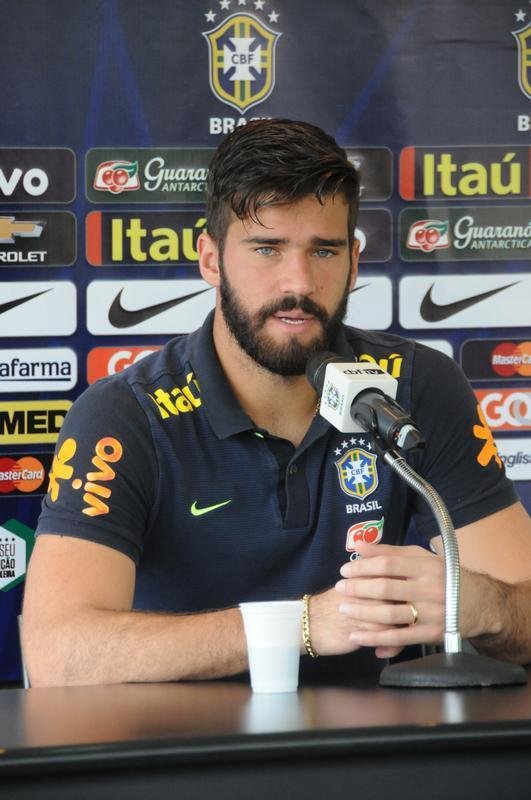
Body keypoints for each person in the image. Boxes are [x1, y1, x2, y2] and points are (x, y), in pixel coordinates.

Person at [23, 119, 531, 687]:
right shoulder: (127, 415)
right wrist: (303, 625)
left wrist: (479, 605)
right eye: (267, 249)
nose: (299, 283)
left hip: (377, 739)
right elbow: (57, 655)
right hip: (181, 740)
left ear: (354, 263)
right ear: (211, 260)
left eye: (324, 250)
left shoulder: (415, 386)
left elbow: (524, 607)